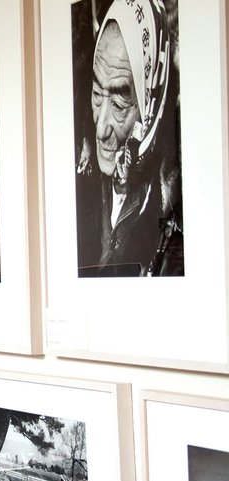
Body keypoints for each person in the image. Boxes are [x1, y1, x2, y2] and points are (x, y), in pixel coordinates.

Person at [75, 0, 183, 277]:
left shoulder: (170, 196)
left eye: (120, 105)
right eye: (97, 95)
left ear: (150, 101)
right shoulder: (78, 163)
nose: (101, 129)